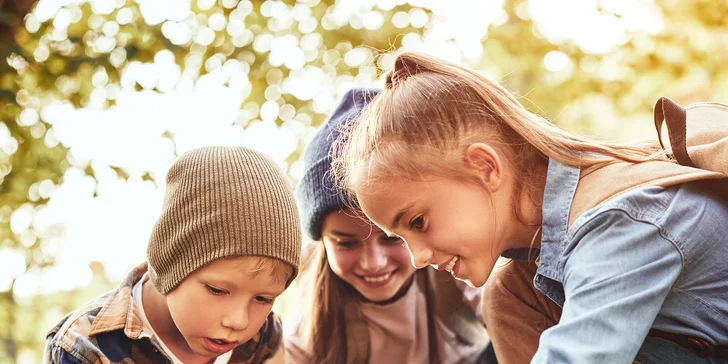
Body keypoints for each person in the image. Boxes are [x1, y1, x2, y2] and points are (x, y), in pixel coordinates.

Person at [331, 52, 728, 363]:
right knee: (505, 295)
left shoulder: (621, 222)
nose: (415, 258)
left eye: (418, 221)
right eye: (399, 237)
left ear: (485, 167)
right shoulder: (518, 292)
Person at [285, 88, 494, 364]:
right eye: (346, 243)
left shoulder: (452, 267)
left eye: (392, 238)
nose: (373, 264)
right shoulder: (312, 323)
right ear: (322, 242)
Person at [44, 147, 302, 364]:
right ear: (170, 264)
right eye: (216, 290)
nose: (238, 321)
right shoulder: (84, 348)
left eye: (263, 298)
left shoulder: (263, 338)